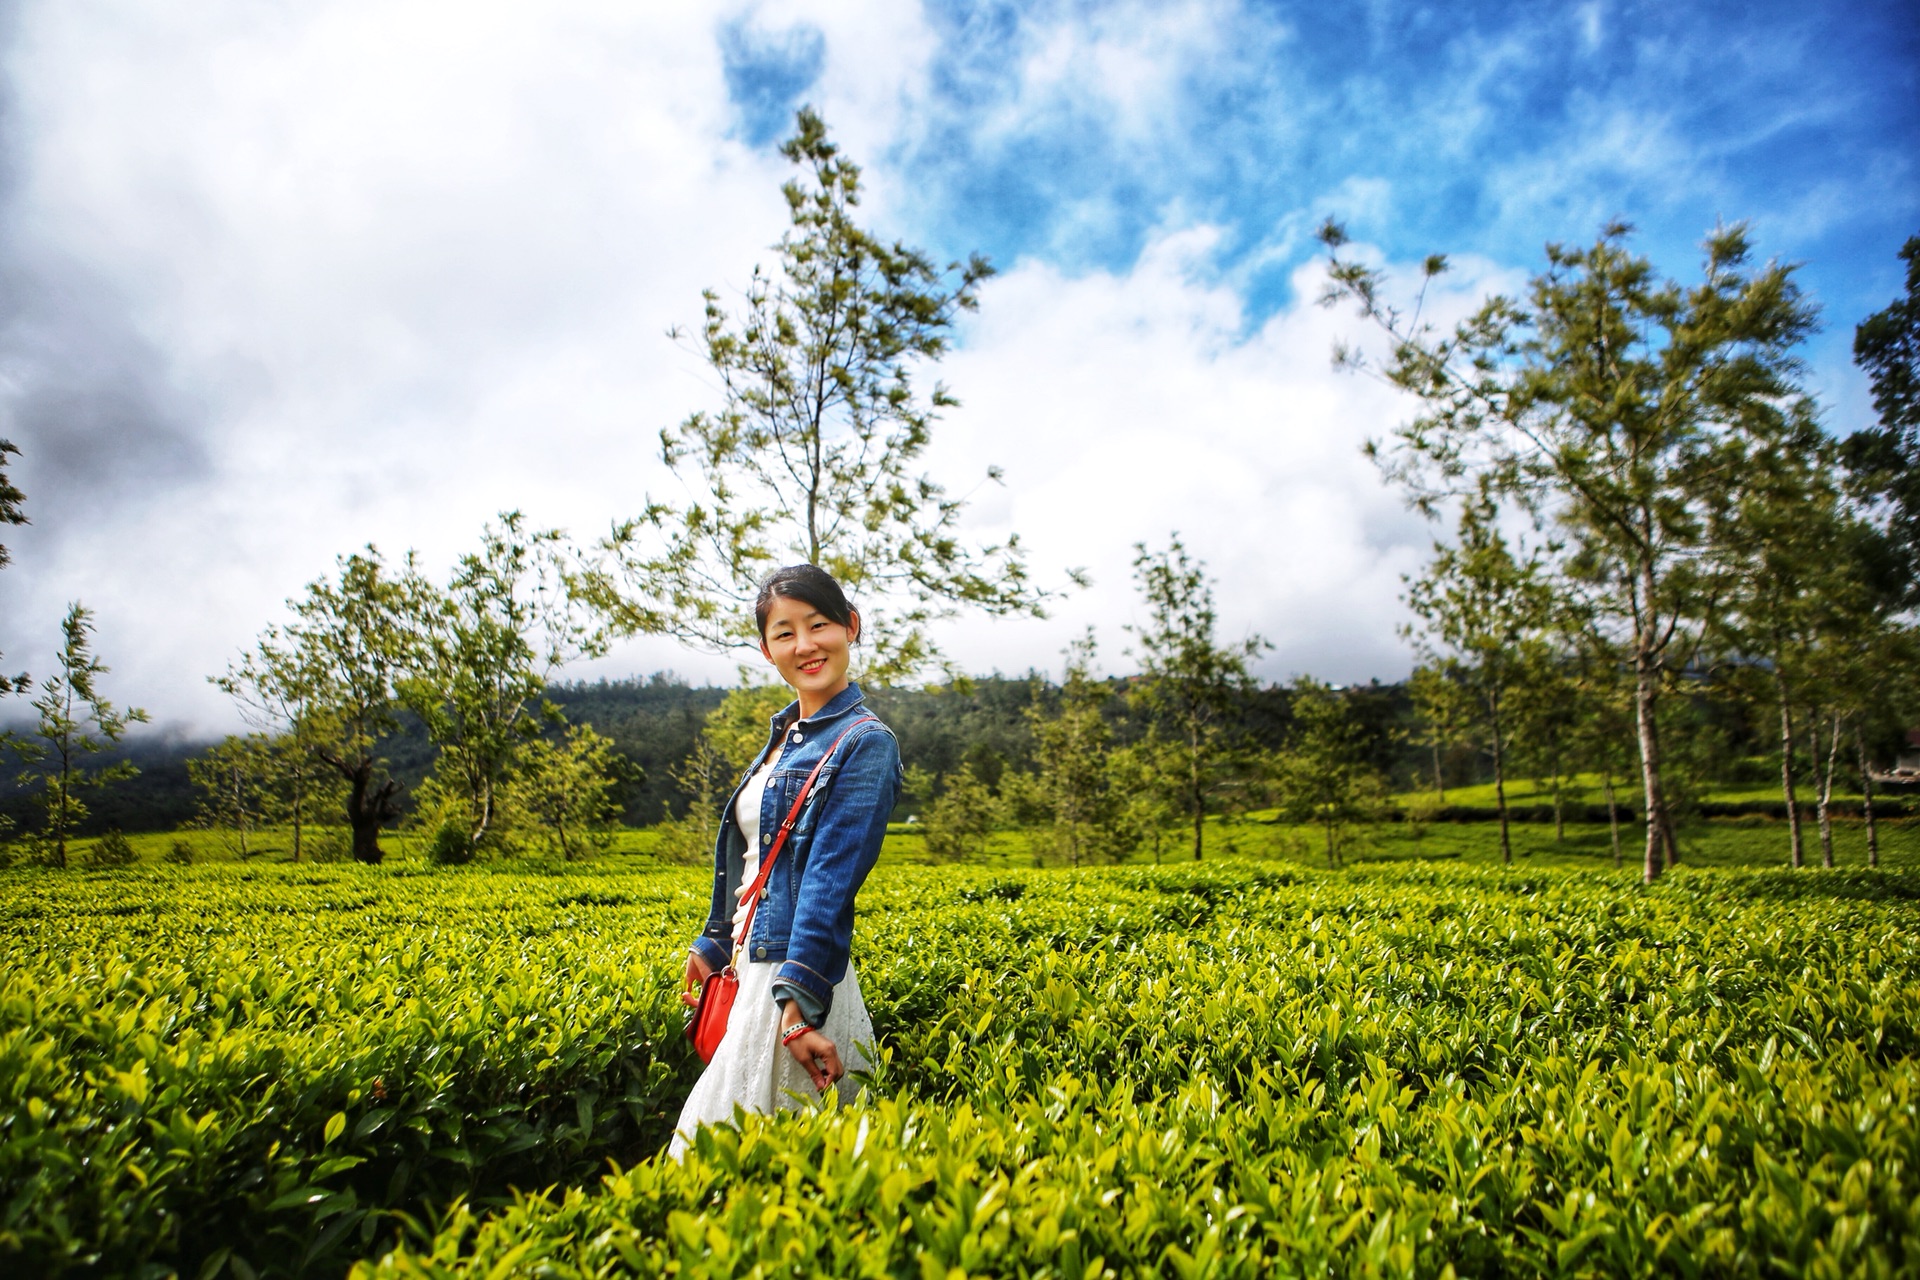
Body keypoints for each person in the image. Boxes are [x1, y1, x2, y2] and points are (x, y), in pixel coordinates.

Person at [669, 564, 902, 1157]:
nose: (804, 645)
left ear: (850, 626)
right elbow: (750, 857)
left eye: (818, 625)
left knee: (723, 1152)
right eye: (783, 632)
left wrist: (798, 1008)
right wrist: (714, 941)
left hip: (794, 976)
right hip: (753, 967)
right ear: (767, 648)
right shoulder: (784, 736)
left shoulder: (864, 743)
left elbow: (829, 881)